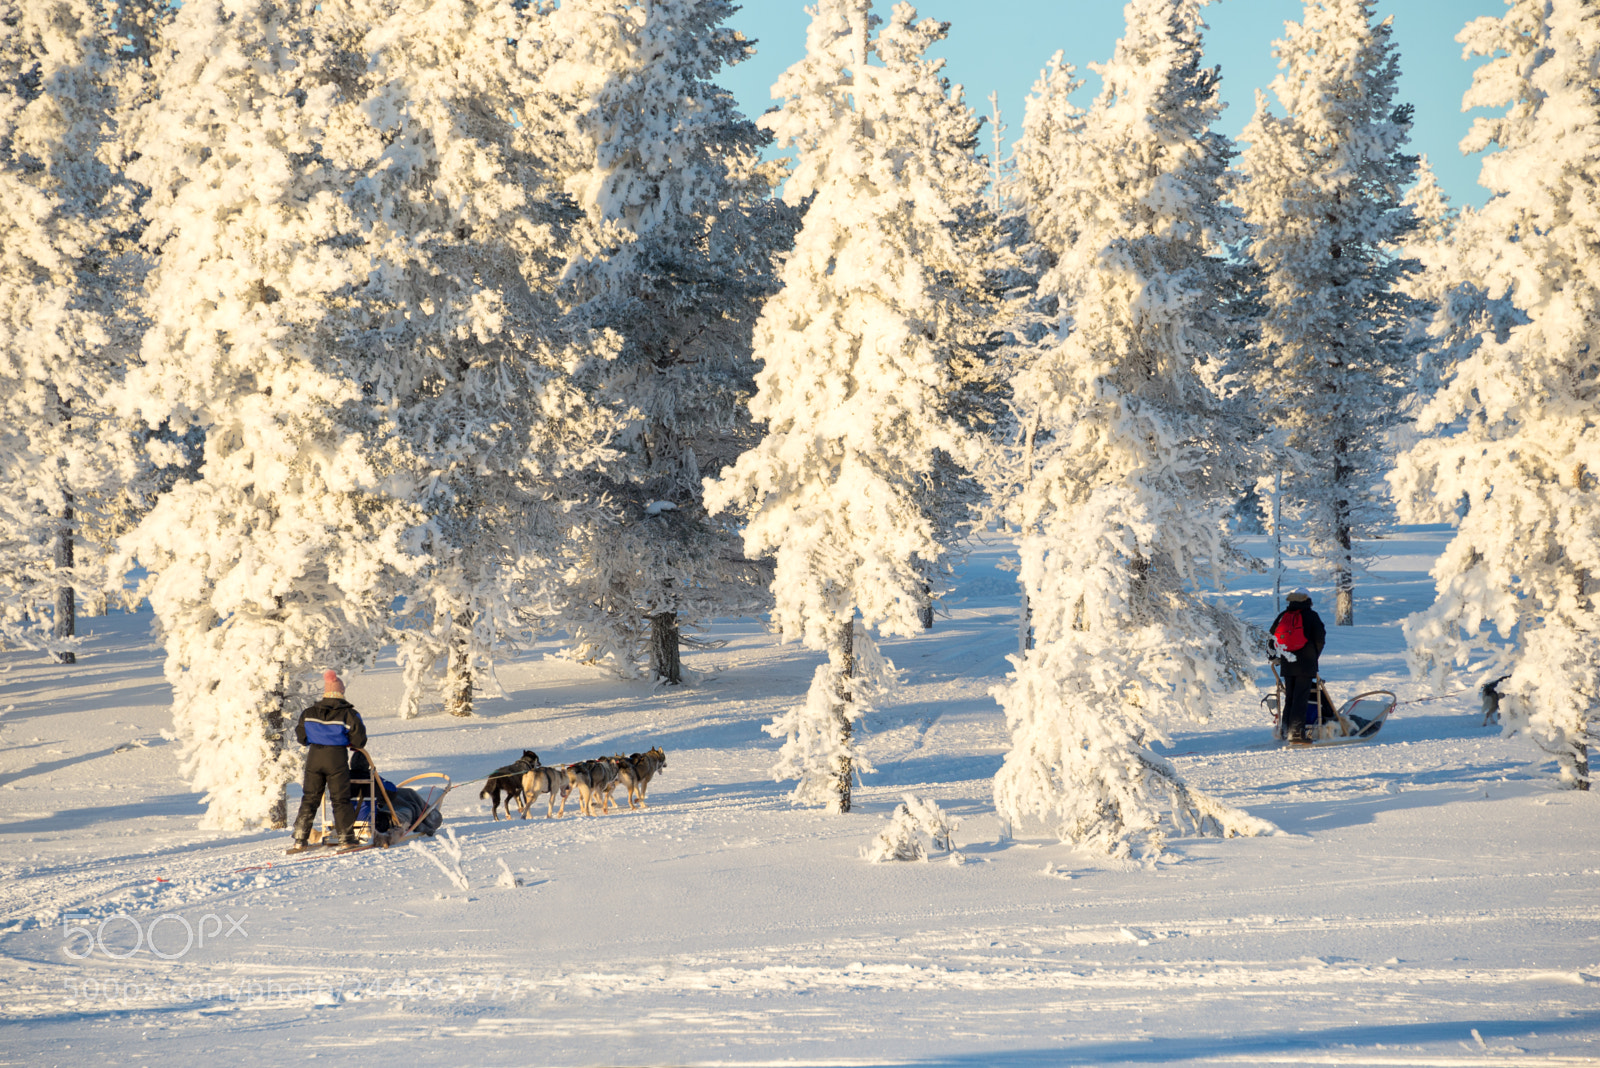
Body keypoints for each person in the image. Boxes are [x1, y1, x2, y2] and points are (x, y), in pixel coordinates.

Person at [288, 670, 368, 852]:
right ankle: (346, 839)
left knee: (309, 798)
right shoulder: (348, 714)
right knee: (340, 800)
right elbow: (359, 740)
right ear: (340, 693)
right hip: (336, 759)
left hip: (314, 758)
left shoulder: (308, 713)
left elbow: (302, 737)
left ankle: (300, 839)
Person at [1269, 588, 1327, 744]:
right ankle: (1296, 733)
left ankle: (1285, 730)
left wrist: (1277, 657)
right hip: (1306, 664)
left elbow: (1271, 637)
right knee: (1301, 699)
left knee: (1290, 698)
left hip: (1288, 664)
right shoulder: (1312, 616)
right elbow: (1320, 639)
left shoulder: (1283, 616)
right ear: (1308, 600)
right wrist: (1314, 657)